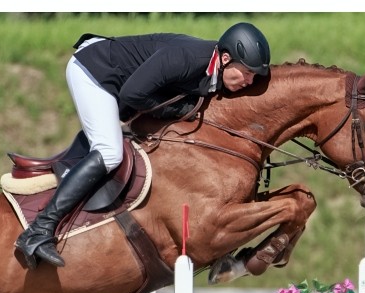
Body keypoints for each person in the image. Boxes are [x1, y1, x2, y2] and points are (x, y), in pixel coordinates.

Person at [14, 22, 271, 269]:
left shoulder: (215, 69)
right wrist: (179, 109)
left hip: (120, 79)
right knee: (109, 152)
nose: (249, 81)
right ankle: (38, 231)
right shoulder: (188, 60)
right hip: (94, 71)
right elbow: (132, 95)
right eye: (247, 73)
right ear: (225, 59)